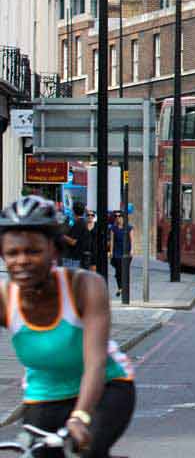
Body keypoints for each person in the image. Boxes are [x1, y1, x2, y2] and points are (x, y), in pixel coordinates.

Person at [0, 196, 135, 457]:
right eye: (12, 253)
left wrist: (81, 416)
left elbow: (94, 362)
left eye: (33, 251)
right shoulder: (6, 299)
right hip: (45, 396)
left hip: (106, 387)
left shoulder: (85, 287)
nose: (22, 261)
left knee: (87, 448)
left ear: (55, 251)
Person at [108, 212, 133, 298]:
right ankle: (120, 287)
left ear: (123, 217)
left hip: (126, 251)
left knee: (125, 270)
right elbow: (112, 240)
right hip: (117, 251)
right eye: (116, 216)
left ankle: (124, 287)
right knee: (118, 271)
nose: (118, 218)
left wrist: (132, 250)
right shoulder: (113, 228)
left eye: (119, 216)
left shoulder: (129, 228)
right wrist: (111, 252)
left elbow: (131, 239)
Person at [60, 202, 90, 269]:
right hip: (76, 258)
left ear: (73, 211)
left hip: (74, 259)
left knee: (70, 278)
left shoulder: (79, 224)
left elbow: (73, 242)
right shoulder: (82, 223)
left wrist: (61, 236)